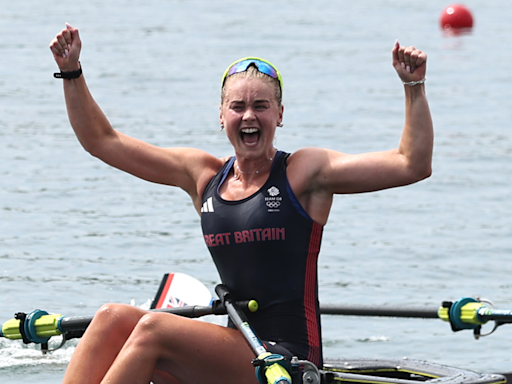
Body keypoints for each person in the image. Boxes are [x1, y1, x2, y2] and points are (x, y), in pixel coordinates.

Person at [49, 22, 433, 384]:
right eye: (237, 106)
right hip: (239, 347)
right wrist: (71, 73)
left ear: (279, 115)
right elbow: (103, 141)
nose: (249, 115)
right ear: (221, 116)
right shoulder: (202, 175)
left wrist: (413, 84)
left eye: (261, 106)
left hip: (287, 359)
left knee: (154, 328)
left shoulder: (304, 173)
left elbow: (410, 163)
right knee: (110, 318)